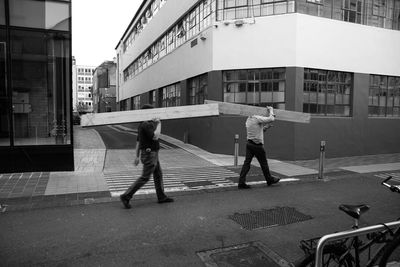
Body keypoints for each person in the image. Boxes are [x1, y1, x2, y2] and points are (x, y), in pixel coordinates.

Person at [120, 104, 174, 209]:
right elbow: (156, 136)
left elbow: (138, 142)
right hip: (150, 155)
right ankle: (126, 196)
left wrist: (137, 156)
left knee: (158, 174)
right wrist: (159, 123)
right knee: (145, 177)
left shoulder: (141, 124)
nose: (154, 114)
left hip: (151, 154)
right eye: (152, 112)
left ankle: (161, 197)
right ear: (147, 113)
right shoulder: (146, 124)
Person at [238, 106, 280, 189]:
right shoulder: (257, 118)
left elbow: (257, 130)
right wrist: (271, 110)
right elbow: (271, 119)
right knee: (264, 163)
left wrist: (265, 128)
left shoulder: (248, 120)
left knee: (247, 163)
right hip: (257, 146)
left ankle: (241, 182)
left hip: (249, 144)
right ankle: (269, 179)